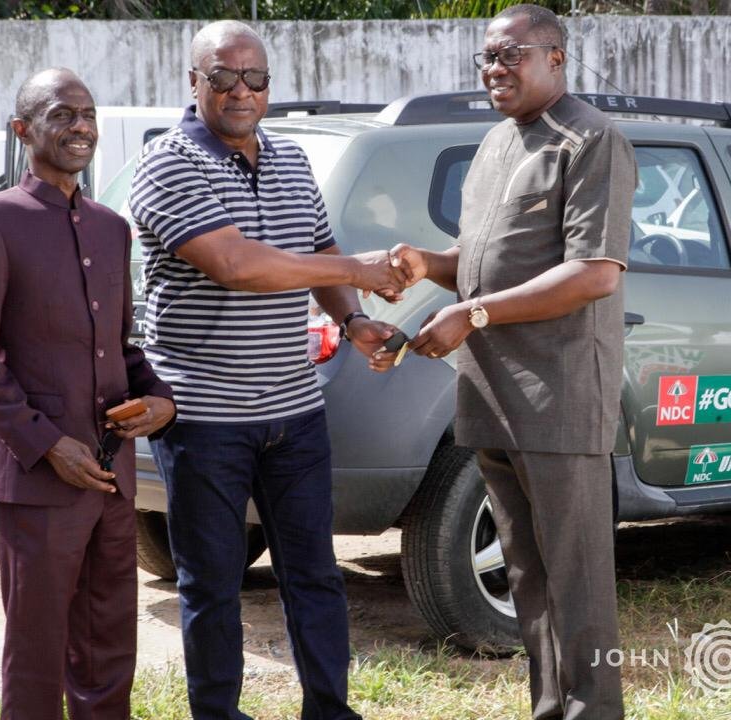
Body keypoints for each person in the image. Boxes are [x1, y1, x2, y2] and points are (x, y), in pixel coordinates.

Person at [128, 21, 408, 720]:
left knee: (314, 574)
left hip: (293, 412)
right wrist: (356, 270)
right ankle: (218, 714)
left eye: (256, 79)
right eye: (224, 77)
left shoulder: (288, 159)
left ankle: (329, 709)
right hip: (204, 418)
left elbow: (315, 246)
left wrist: (352, 318)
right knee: (213, 583)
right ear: (194, 83)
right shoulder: (167, 164)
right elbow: (238, 265)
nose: (242, 91)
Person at [381, 6, 637, 718]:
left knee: (577, 583)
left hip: (558, 399)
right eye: (486, 58)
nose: (494, 69)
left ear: (556, 58)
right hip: (492, 397)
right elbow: (486, 259)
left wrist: (474, 314)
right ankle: (551, 708)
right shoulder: (497, 142)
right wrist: (431, 265)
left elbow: (593, 273)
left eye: (510, 55)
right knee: (527, 576)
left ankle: (596, 709)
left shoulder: (592, 140)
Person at [0, 68, 176, 720]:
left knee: (108, 654)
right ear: (23, 130)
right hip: (40, 483)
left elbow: (122, 347)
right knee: (37, 656)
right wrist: (48, 445)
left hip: (112, 476)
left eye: (88, 114)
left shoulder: (111, 228)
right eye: (62, 114)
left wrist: (161, 400)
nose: (80, 126)